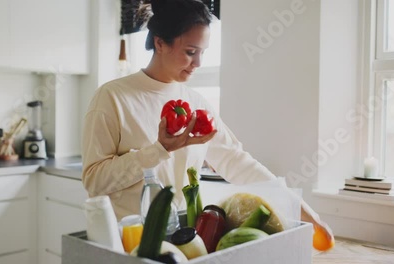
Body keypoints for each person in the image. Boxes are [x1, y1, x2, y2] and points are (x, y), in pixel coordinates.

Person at [82, 0, 333, 242]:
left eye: (202, 53)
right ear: (160, 43)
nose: (198, 63)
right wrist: (159, 150)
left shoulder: (195, 102)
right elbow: (94, 182)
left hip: (183, 239)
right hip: (129, 241)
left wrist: (300, 209)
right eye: (190, 52)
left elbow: (237, 162)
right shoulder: (112, 97)